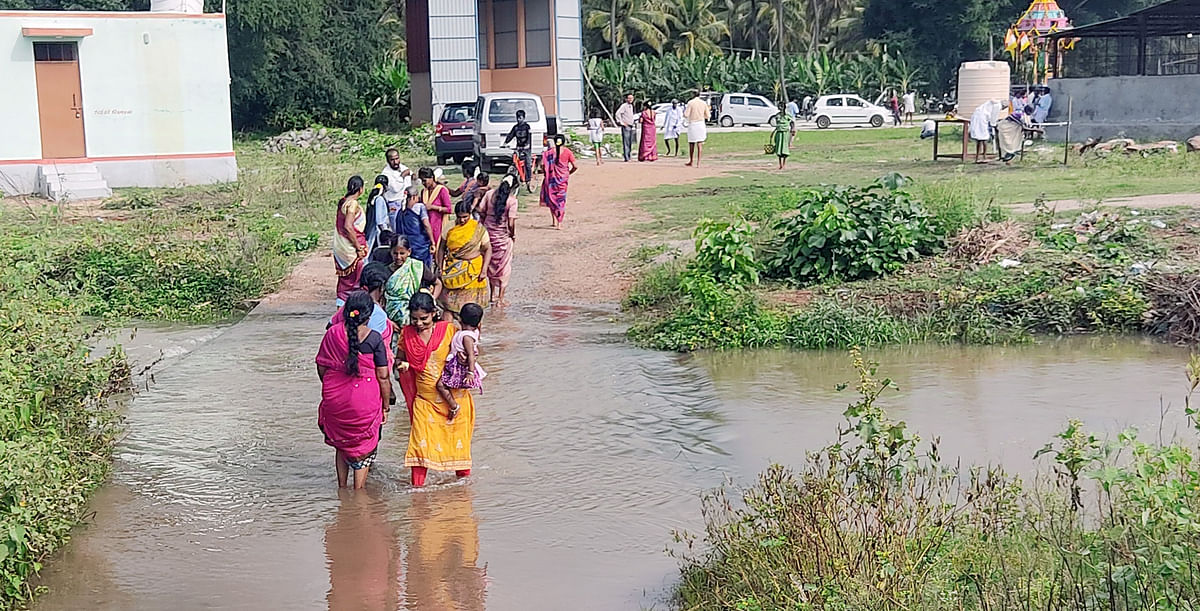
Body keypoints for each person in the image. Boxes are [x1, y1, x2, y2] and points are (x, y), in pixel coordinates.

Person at [316, 290, 391, 489]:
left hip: (335, 398)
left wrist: (334, 387)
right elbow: (383, 376)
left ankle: (342, 488)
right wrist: (385, 406)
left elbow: (322, 366)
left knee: (341, 444)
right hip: (364, 400)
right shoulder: (374, 338)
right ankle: (358, 493)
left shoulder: (332, 333)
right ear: (369, 315)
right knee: (363, 447)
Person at [397, 293, 474, 487]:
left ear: (434, 313)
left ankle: (463, 492)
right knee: (419, 449)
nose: (419, 323)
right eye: (414, 319)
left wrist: (465, 359)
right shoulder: (406, 334)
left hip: (454, 400)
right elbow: (399, 359)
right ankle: (417, 492)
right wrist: (401, 365)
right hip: (425, 401)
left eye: (424, 319)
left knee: (459, 448)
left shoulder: (449, 330)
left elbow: (468, 348)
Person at [438, 199, 492, 319]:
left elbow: (488, 249)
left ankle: (473, 334)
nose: (462, 220)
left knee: (473, 310)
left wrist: (484, 270)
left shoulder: (478, 229)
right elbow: (441, 248)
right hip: (453, 270)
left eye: (465, 217)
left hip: (473, 272)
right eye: (459, 217)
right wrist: (440, 267)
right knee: (449, 308)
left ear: (470, 214)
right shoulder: (449, 228)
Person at [435, 302, 485, 418]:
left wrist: (470, 373)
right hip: (460, 364)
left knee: (440, 385)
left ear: (460, 319)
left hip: (458, 367)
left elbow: (471, 355)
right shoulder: (473, 333)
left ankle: (453, 406)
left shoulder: (466, 337)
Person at [477, 173, 518, 305]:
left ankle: (492, 295)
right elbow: (511, 222)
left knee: (490, 265)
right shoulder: (512, 201)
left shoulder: (489, 195)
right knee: (504, 267)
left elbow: (480, 209)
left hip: (488, 235)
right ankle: (501, 298)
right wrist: (512, 235)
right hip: (502, 237)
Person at [333, 175, 367, 307]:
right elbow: (348, 226)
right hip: (351, 248)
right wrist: (358, 247)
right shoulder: (352, 204)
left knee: (344, 281)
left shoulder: (343, 201)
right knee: (355, 281)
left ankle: (340, 306)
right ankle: (354, 307)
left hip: (341, 247)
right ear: (361, 189)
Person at [538, 133, 578, 229]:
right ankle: (559, 223)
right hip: (562, 179)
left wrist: (546, 172)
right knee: (560, 200)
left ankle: (554, 221)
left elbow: (542, 165)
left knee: (552, 199)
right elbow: (575, 166)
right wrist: (568, 173)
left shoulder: (549, 153)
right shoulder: (568, 152)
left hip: (551, 179)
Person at [384, 236, 424, 327]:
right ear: (391, 252)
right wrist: (388, 321)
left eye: (402, 253)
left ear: (409, 252)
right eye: (395, 253)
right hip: (391, 318)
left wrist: (429, 300)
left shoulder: (416, 267)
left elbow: (437, 283)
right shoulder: (385, 271)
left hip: (414, 317)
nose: (398, 257)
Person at [399, 184, 436, 269]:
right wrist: (432, 241)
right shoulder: (420, 207)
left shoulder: (400, 211)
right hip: (420, 244)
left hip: (405, 244)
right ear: (414, 197)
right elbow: (426, 225)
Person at [418, 167, 453, 245]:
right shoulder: (424, 191)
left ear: (432, 178)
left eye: (425, 180)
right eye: (422, 181)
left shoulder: (442, 190)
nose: (423, 183)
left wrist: (433, 207)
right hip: (427, 226)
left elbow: (449, 209)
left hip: (439, 224)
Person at [502, 110, 534, 192]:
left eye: (520, 118)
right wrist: (505, 143)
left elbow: (529, 137)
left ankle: (528, 180)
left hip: (526, 148)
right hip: (518, 148)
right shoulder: (515, 127)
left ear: (523, 117)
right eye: (517, 118)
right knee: (514, 161)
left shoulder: (527, 127)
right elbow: (510, 135)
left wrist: (527, 145)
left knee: (527, 163)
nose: (519, 119)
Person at [381, 148, 412, 230]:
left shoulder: (403, 167)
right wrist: (402, 176)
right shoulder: (386, 173)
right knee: (397, 229)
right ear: (388, 161)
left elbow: (410, 181)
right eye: (392, 160)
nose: (395, 162)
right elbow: (396, 188)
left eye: (397, 158)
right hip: (394, 204)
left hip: (406, 201)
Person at [363, 175, 392, 254]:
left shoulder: (375, 199)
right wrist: (385, 233)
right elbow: (379, 221)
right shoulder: (379, 199)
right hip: (379, 231)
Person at [969, 99, 1002, 163]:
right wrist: (994, 124)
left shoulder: (982, 107)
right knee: (984, 139)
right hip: (982, 122)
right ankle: (983, 156)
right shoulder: (996, 106)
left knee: (979, 140)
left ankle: (978, 157)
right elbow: (992, 119)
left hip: (979, 121)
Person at [683, 90, 709, 168]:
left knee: (691, 143)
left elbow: (686, 114)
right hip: (701, 124)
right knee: (700, 144)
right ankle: (699, 162)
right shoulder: (703, 103)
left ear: (693, 95)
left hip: (693, 124)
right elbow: (708, 115)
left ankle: (691, 161)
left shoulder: (690, 103)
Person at [771, 105, 796, 170]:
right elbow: (777, 125)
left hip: (785, 133)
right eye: (780, 107)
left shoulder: (788, 115)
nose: (781, 108)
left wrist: (793, 129)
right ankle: (780, 164)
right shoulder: (777, 115)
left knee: (784, 149)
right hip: (779, 133)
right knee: (779, 148)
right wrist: (773, 133)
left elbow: (792, 122)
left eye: (782, 107)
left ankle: (784, 164)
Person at [616, 93, 637, 162]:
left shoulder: (631, 106)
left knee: (630, 142)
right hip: (626, 126)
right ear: (626, 99)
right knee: (626, 142)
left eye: (632, 98)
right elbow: (617, 113)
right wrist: (621, 122)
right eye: (629, 98)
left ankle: (629, 155)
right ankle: (626, 157)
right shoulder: (624, 106)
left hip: (631, 126)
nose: (631, 99)